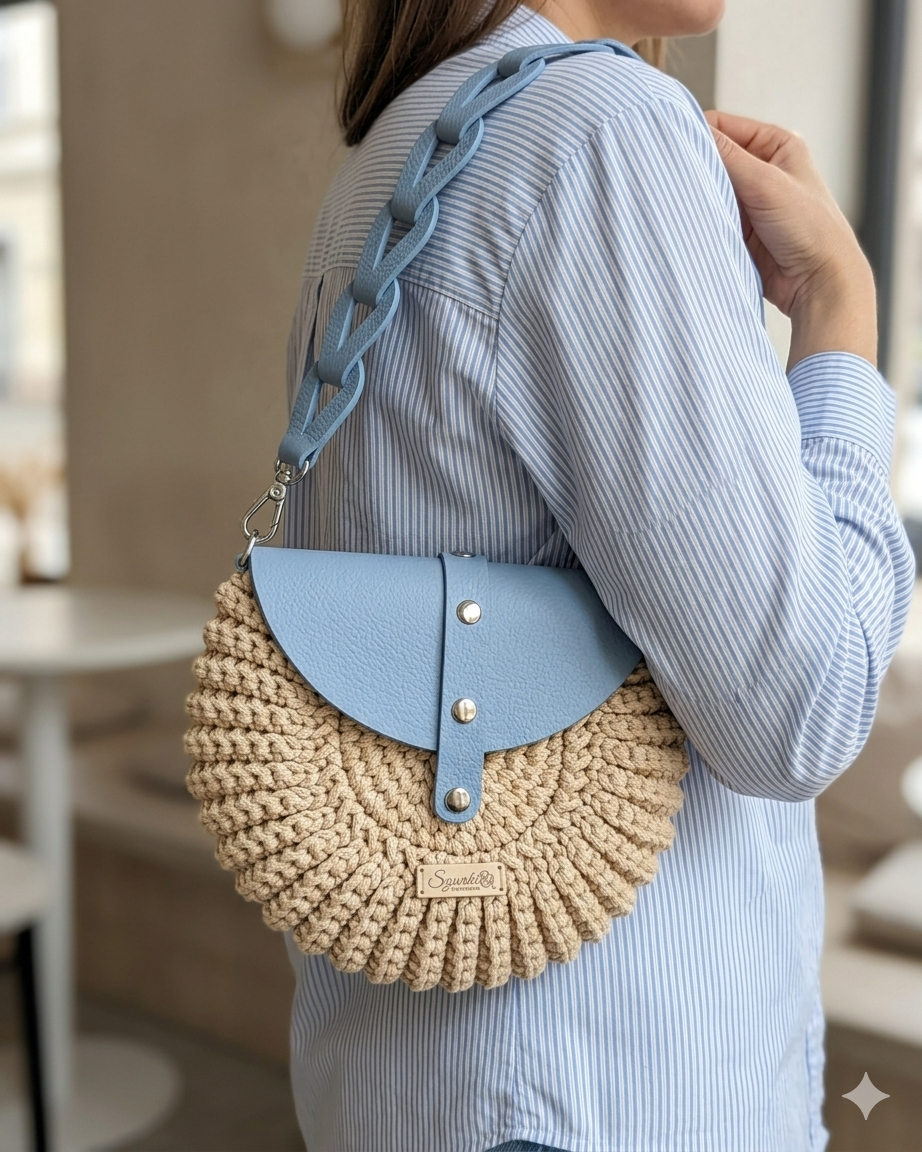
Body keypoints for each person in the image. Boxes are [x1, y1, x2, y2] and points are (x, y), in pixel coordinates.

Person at [281, 0, 916, 1148]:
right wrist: (841, 314)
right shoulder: (597, 130)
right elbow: (801, 708)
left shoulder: (405, 142)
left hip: (420, 1084)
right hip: (598, 1090)